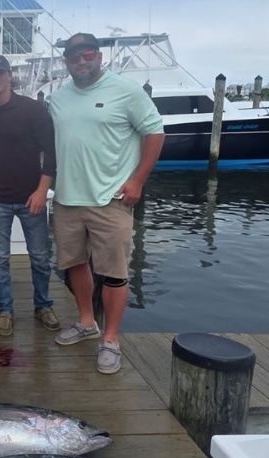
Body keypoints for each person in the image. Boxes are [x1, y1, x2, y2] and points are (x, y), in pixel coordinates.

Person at [49, 33, 165, 374]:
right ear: (66, 62)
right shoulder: (57, 98)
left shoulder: (127, 90)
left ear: (98, 56)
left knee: (114, 273)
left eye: (87, 55)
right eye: (73, 58)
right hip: (68, 198)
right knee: (74, 264)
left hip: (111, 199)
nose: (81, 62)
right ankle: (87, 322)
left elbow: (155, 133)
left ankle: (111, 339)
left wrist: (138, 180)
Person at [0, 54, 60, 337]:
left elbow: (51, 153)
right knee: (0, 259)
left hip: (31, 197)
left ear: (10, 76)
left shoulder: (33, 110)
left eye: (0, 73)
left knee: (39, 257)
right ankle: (5, 310)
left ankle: (43, 305)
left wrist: (41, 191)